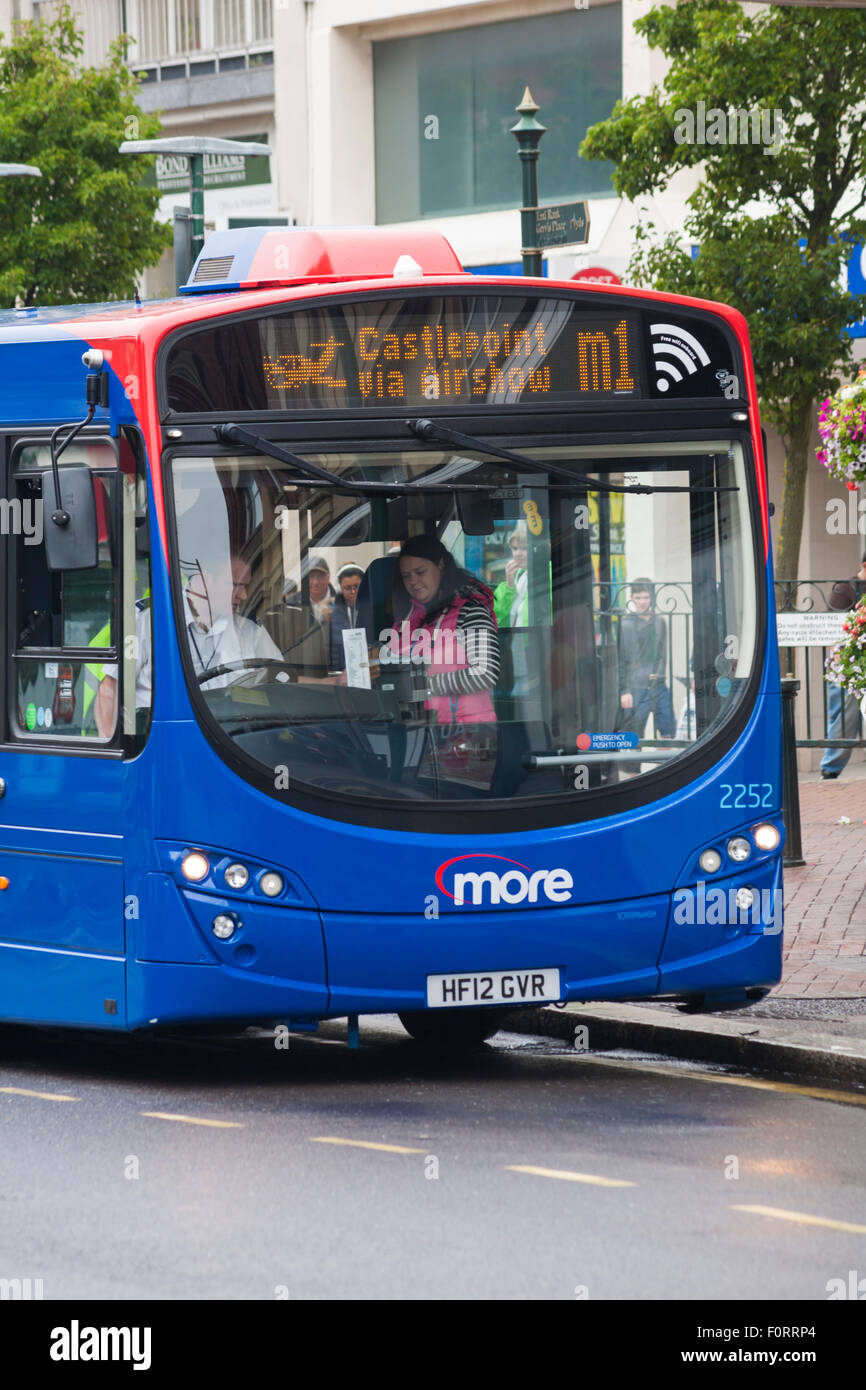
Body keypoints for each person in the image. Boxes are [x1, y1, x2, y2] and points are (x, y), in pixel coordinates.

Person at [387, 535, 501, 723]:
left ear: (440, 565)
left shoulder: (470, 610)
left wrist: (422, 685)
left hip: (469, 734)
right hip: (417, 734)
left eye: (420, 572)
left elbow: (485, 673)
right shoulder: (405, 620)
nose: (413, 581)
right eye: (406, 576)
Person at [183, 553, 284, 689]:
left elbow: (281, 678)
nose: (243, 595)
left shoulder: (250, 630)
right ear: (204, 579)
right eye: (235, 584)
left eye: (245, 586)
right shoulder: (150, 625)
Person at [821, 557, 866, 779]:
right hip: (847, 664)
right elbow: (832, 627)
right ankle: (831, 768)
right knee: (842, 715)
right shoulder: (844, 588)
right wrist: (840, 661)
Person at [618, 578, 674, 738]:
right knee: (634, 738)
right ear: (632, 598)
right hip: (636, 688)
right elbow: (620, 659)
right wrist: (624, 690)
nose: (642, 602)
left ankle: (665, 763)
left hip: (659, 685)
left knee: (668, 734)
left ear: (652, 597)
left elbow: (662, 653)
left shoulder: (659, 621)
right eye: (638, 598)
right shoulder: (626, 624)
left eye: (646, 597)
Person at [329, 562, 365, 671]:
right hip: (341, 672)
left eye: (356, 586)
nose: (353, 592)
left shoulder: (374, 609)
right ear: (341, 589)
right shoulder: (332, 614)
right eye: (348, 588)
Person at [493, 523, 528, 628]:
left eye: (524, 548)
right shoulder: (520, 576)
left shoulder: (548, 573)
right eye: (515, 548)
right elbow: (497, 616)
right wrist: (509, 585)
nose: (518, 553)